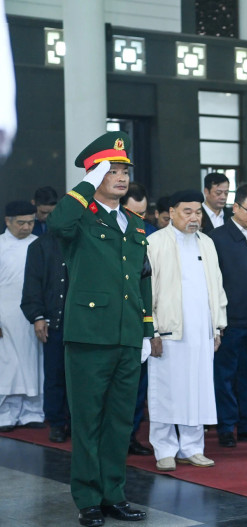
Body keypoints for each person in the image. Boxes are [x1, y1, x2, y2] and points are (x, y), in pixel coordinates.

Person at [48, 131, 151, 526]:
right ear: (95, 173)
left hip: (126, 337)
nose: (122, 177)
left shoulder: (136, 223)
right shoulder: (80, 217)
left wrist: (146, 330)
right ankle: (88, 498)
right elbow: (58, 222)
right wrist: (89, 183)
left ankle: (114, 495)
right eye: (112, 170)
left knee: (120, 421)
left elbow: (144, 279)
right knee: (88, 420)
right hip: (89, 335)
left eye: (125, 169)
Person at [146, 190, 227, 471]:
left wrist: (217, 325)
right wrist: (151, 331)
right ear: (171, 212)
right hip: (168, 334)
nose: (194, 218)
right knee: (166, 391)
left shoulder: (206, 243)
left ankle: (192, 447)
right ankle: (164, 448)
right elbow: (146, 291)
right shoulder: (154, 243)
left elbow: (216, 287)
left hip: (201, 332)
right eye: (187, 212)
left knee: (198, 390)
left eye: (198, 212)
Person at [209, 184, 247, 448]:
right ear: (236, 208)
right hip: (228, 322)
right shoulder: (216, 238)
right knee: (224, 377)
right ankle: (225, 425)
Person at [20, 227, 70, 442]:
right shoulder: (40, 246)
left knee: (83, 377)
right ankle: (57, 423)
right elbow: (32, 284)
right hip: (54, 320)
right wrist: (37, 316)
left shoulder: (86, 241)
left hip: (83, 323)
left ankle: (79, 422)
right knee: (55, 374)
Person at [0, 201, 44, 432]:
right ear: (8, 221)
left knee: (33, 366)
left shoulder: (39, 245)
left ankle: (32, 412)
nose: (27, 227)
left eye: (31, 222)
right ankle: (5, 414)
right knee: (7, 368)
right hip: (4, 319)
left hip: (31, 317)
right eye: (21, 223)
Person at [121, 182, 156, 457]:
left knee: (137, 387)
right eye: (134, 212)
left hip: (140, 320)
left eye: (144, 213)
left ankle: (131, 435)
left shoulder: (150, 234)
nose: (139, 219)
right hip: (115, 319)